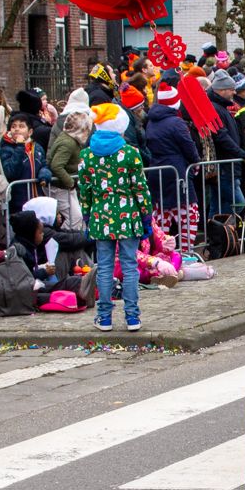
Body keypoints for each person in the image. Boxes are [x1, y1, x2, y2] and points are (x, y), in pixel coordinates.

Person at [76, 103, 153, 331]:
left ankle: (104, 317)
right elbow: (140, 188)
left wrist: (87, 215)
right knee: (129, 266)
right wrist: (146, 215)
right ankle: (132, 317)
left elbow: (84, 190)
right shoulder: (130, 153)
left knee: (105, 267)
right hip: (128, 216)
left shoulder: (87, 155)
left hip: (100, 217)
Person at [143, 86, 199, 212]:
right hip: (177, 171)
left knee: (163, 214)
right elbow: (188, 145)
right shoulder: (176, 122)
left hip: (157, 169)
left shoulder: (151, 121)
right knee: (187, 213)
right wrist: (196, 161)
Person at [205, 71, 245, 216]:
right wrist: (241, 153)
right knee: (239, 204)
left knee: (217, 206)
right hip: (225, 166)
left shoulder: (218, 107)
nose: (234, 92)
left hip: (225, 165)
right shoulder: (216, 109)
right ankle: (223, 227)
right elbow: (222, 137)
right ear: (221, 90)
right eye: (231, 89)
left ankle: (217, 229)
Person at [46, 110, 92, 229]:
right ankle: (61, 238)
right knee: (74, 219)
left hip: (64, 186)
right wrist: (70, 182)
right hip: (60, 186)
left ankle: (72, 239)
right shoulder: (68, 143)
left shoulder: (70, 139)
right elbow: (56, 165)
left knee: (78, 218)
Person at [0, 113, 51, 206]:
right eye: (13, 126)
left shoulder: (37, 148)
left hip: (36, 197)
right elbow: (10, 172)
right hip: (18, 201)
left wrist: (44, 175)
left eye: (21, 126)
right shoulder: (6, 148)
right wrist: (20, 146)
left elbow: (44, 165)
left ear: (30, 132)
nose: (17, 129)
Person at [9, 210, 60, 302]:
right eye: (40, 233)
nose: (43, 235)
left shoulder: (28, 245)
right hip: (25, 292)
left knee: (59, 285)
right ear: (30, 232)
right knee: (59, 291)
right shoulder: (19, 250)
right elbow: (25, 278)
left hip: (31, 286)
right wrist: (44, 272)